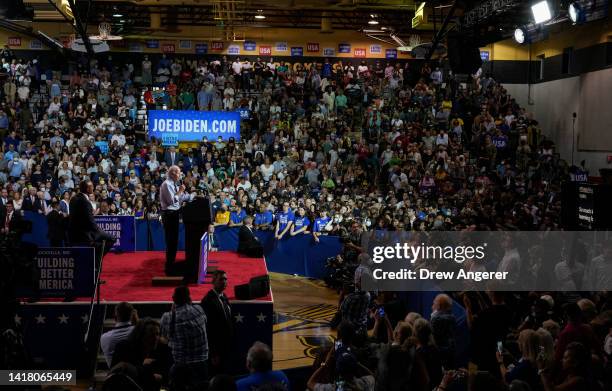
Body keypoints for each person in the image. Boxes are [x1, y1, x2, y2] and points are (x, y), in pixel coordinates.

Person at [160, 286, 208, 391]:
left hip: (181, 367)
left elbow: (164, 338)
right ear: (189, 297)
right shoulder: (199, 309)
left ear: (173, 298)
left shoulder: (167, 317)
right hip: (201, 363)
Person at [111, 318, 171, 391]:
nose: (156, 338)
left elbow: (166, 374)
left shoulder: (159, 349)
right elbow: (119, 373)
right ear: (141, 335)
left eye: (157, 334)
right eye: (151, 334)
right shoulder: (124, 347)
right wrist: (148, 374)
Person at [159, 165, 191, 276]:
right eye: (179, 173)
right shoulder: (166, 184)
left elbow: (179, 199)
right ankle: (169, 267)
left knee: (174, 241)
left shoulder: (173, 184)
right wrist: (181, 190)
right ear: (172, 173)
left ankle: (171, 265)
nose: (180, 175)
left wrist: (191, 196)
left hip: (175, 214)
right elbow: (171, 201)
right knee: (171, 241)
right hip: (169, 215)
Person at [200, 270, 233, 375]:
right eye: (221, 279)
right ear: (213, 282)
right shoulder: (208, 301)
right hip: (216, 350)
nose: (224, 282)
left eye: (225, 279)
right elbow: (208, 329)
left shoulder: (224, 297)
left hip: (226, 346)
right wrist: (213, 353)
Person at [68, 180, 114, 255]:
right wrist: (99, 231)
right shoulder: (85, 202)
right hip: (84, 234)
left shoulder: (73, 199)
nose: (93, 188)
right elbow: (90, 221)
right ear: (87, 189)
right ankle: (97, 260)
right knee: (112, 238)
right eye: (92, 186)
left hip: (72, 233)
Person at [101, 302, 138, 367]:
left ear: (115, 317)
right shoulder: (138, 332)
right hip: (136, 373)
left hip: (114, 374)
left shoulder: (104, 337)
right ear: (132, 316)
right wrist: (137, 323)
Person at [430, 293, 456, 369]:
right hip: (450, 355)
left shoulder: (436, 319)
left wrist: (433, 316)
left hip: (441, 358)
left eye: (433, 304)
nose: (431, 307)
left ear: (439, 306)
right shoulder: (452, 317)